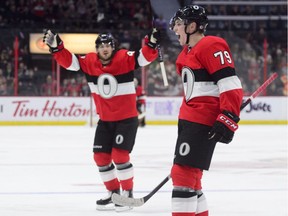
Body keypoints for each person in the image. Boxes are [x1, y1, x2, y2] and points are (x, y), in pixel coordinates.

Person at [43, 29, 160, 211]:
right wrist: (57, 48)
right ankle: (113, 193)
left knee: (120, 155)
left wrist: (151, 45)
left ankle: (127, 194)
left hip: (126, 119)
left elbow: (143, 58)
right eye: (101, 46)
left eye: (108, 46)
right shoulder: (89, 62)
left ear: (113, 48)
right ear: (96, 49)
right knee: (100, 157)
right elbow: (70, 62)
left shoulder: (124, 58)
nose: (105, 49)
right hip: (105, 120)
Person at [169, 5, 243, 216]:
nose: (175, 29)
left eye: (179, 25)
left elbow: (230, 84)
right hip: (188, 120)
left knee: (182, 175)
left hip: (202, 121)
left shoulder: (211, 45)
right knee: (192, 178)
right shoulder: (185, 54)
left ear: (192, 26)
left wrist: (228, 116)